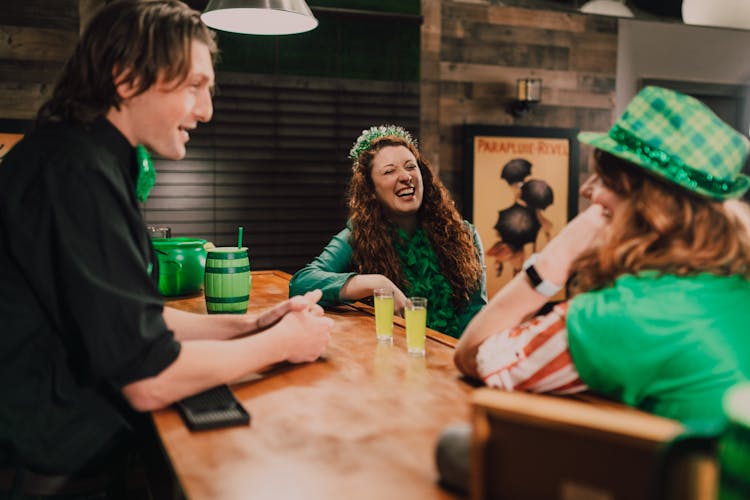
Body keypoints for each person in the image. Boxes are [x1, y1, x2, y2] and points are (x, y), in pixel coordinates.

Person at [0, 0, 331, 496]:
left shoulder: (88, 158)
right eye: (194, 85)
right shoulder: (76, 173)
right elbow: (147, 377)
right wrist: (283, 344)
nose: (207, 109)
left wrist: (251, 325)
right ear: (127, 77)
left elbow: (132, 318)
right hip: (50, 468)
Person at [438, 86, 750, 493]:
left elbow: (472, 354)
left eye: (602, 180)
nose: (586, 190)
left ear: (644, 206)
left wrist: (555, 257)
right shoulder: (730, 282)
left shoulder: (625, 314)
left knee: (457, 448)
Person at [289, 124, 487, 338]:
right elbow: (301, 283)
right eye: (389, 171)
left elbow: (477, 316)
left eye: (411, 166)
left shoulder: (464, 234)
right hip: (392, 360)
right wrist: (376, 283)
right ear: (371, 190)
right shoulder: (358, 235)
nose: (405, 176)